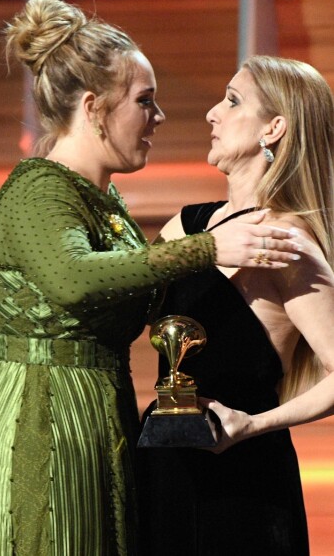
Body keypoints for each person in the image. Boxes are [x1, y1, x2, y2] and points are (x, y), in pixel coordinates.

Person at [0, 0, 303, 556]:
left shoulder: (106, 207)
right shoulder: (40, 186)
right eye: (144, 100)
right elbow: (75, 278)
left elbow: (130, 284)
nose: (159, 116)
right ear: (93, 107)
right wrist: (207, 248)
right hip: (32, 431)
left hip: (93, 422)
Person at [136, 55, 334, 556]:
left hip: (244, 482)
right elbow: (115, 300)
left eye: (232, 100)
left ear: (274, 128)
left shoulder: (286, 240)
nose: (211, 113)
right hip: (164, 469)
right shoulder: (186, 225)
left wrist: (253, 425)